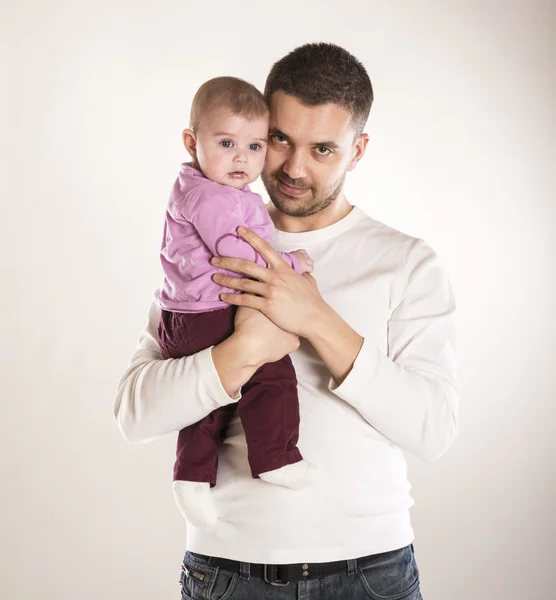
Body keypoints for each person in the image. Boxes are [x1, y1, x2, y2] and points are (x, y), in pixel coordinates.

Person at [114, 42, 459, 600]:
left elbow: (434, 431)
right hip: (227, 569)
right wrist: (243, 350)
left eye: (323, 148)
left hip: (371, 571)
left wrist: (318, 319)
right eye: (281, 140)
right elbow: (133, 414)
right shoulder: (203, 248)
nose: (295, 168)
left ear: (358, 149)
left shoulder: (407, 261)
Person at [157, 76, 315, 528]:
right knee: (271, 373)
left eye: (255, 146)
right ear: (192, 142)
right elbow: (236, 251)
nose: (242, 159)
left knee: (211, 398)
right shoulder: (210, 195)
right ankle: (275, 456)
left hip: (191, 311)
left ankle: (192, 476)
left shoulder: (207, 187)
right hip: (209, 311)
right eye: (227, 143)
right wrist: (290, 263)